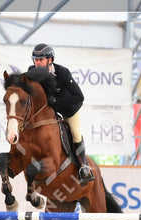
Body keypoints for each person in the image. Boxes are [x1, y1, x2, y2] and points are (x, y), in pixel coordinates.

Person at [28, 43, 95, 186]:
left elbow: (79, 97)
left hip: (67, 109)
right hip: (48, 111)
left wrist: (57, 101)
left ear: (50, 60)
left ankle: (83, 167)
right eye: (35, 60)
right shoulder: (32, 72)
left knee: (76, 133)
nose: (37, 63)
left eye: (40, 60)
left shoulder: (63, 73)